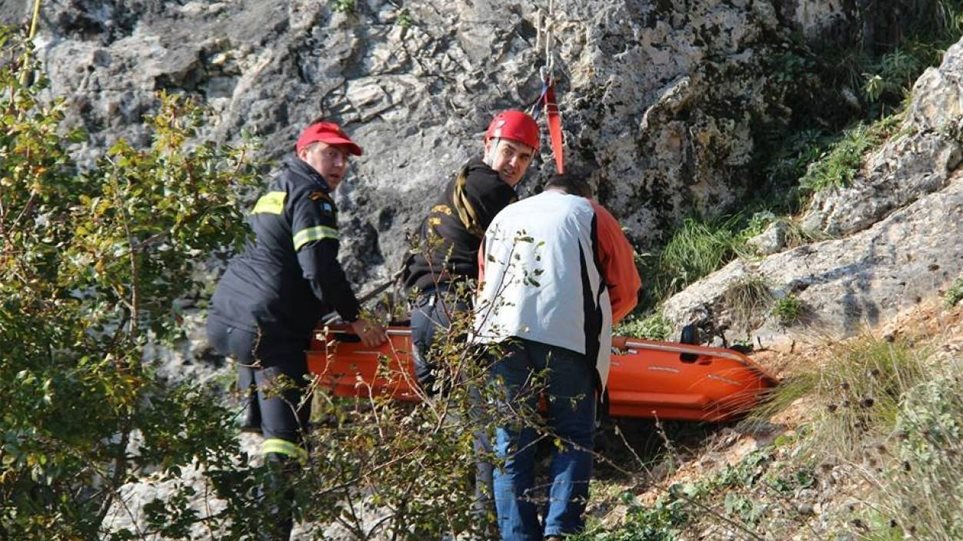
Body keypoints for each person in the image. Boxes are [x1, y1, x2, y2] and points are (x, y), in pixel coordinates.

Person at [206, 119, 387, 540]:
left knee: (270, 428)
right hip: (268, 330)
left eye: (345, 158)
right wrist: (355, 317)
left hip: (226, 322)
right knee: (286, 443)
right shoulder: (312, 193)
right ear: (305, 153)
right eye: (331, 154)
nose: (340, 164)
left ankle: (257, 433)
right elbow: (319, 268)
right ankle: (273, 530)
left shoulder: (277, 188)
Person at [473, 172, 641, 541]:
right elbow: (627, 289)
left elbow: (482, 281)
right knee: (573, 433)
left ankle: (517, 536)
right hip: (566, 338)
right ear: (584, 193)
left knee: (511, 443)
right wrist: (597, 322)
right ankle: (561, 531)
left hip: (497, 337)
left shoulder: (505, 216)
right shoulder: (588, 211)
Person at [400, 109, 540, 532]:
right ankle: (481, 527)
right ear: (488, 146)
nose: (514, 163)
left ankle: (446, 524)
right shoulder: (492, 188)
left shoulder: (458, 185)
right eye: (509, 151)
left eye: (525, 157)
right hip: (453, 311)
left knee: (453, 428)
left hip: (423, 315)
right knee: (487, 430)